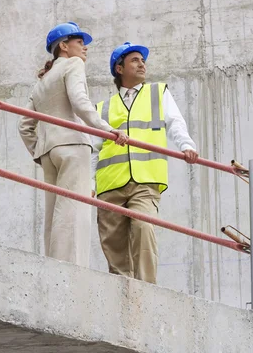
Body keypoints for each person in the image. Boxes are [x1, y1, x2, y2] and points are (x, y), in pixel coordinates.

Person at [18, 22, 129, 267]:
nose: (85, 48)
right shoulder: (73, 64)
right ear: (64, 46)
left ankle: (54, 264)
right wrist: (106, 129)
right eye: (80, 42)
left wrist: (40, 151)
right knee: (74, 212)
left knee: (53, 212)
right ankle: (73, 269)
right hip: (73, 145)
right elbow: (79, 102)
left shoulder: (42, 81)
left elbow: (24, 126)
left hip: (50, 152)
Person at [92, 42, 199, 283]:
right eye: (135, 60)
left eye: (143, 60)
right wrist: (90, 182)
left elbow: (174, 122)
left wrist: (186, 145)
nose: (142, 64)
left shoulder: (157, 93)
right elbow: (93, 149)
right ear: (119, 69)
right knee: (113, 243)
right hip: (109, 184)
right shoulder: (103, 107)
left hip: (145, 180)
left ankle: (146, 289)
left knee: (143, 227)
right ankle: (123, 291)